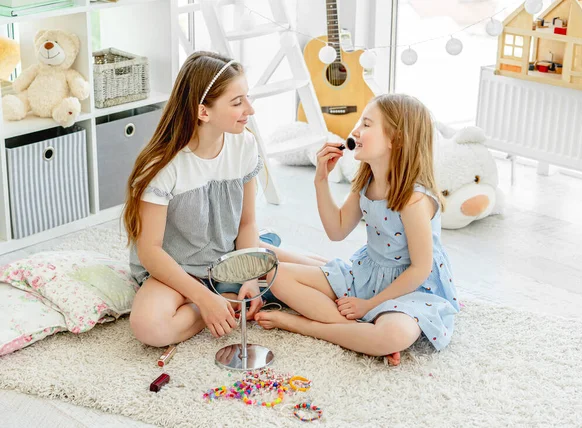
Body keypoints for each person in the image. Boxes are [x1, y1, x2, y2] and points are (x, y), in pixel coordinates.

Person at [123, 51, 324, 347]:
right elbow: (150, 251)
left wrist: (249, 276)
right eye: (237, 102)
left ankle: (234, 290)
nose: (250, 110)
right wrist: (203, 298)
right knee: (149, 328)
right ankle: (225, 298)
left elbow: (247, 223)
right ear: (203, 111)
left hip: (232, 254)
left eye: (247, 97)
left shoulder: (244, 144)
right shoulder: (162, 165)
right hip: (177, 269)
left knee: (323, 275)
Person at [255, 94, 460, 365]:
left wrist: (368, 305)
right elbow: (336, 231)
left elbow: (420, 269)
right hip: (366, 274)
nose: (354, 131)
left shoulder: (414, 199)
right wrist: (321, 179)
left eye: (366, 124)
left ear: (395, 139)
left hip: (411, 288)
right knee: (276, 275)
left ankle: (306, 325)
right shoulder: (366, 180)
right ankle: (360, 334)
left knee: (393, 335)